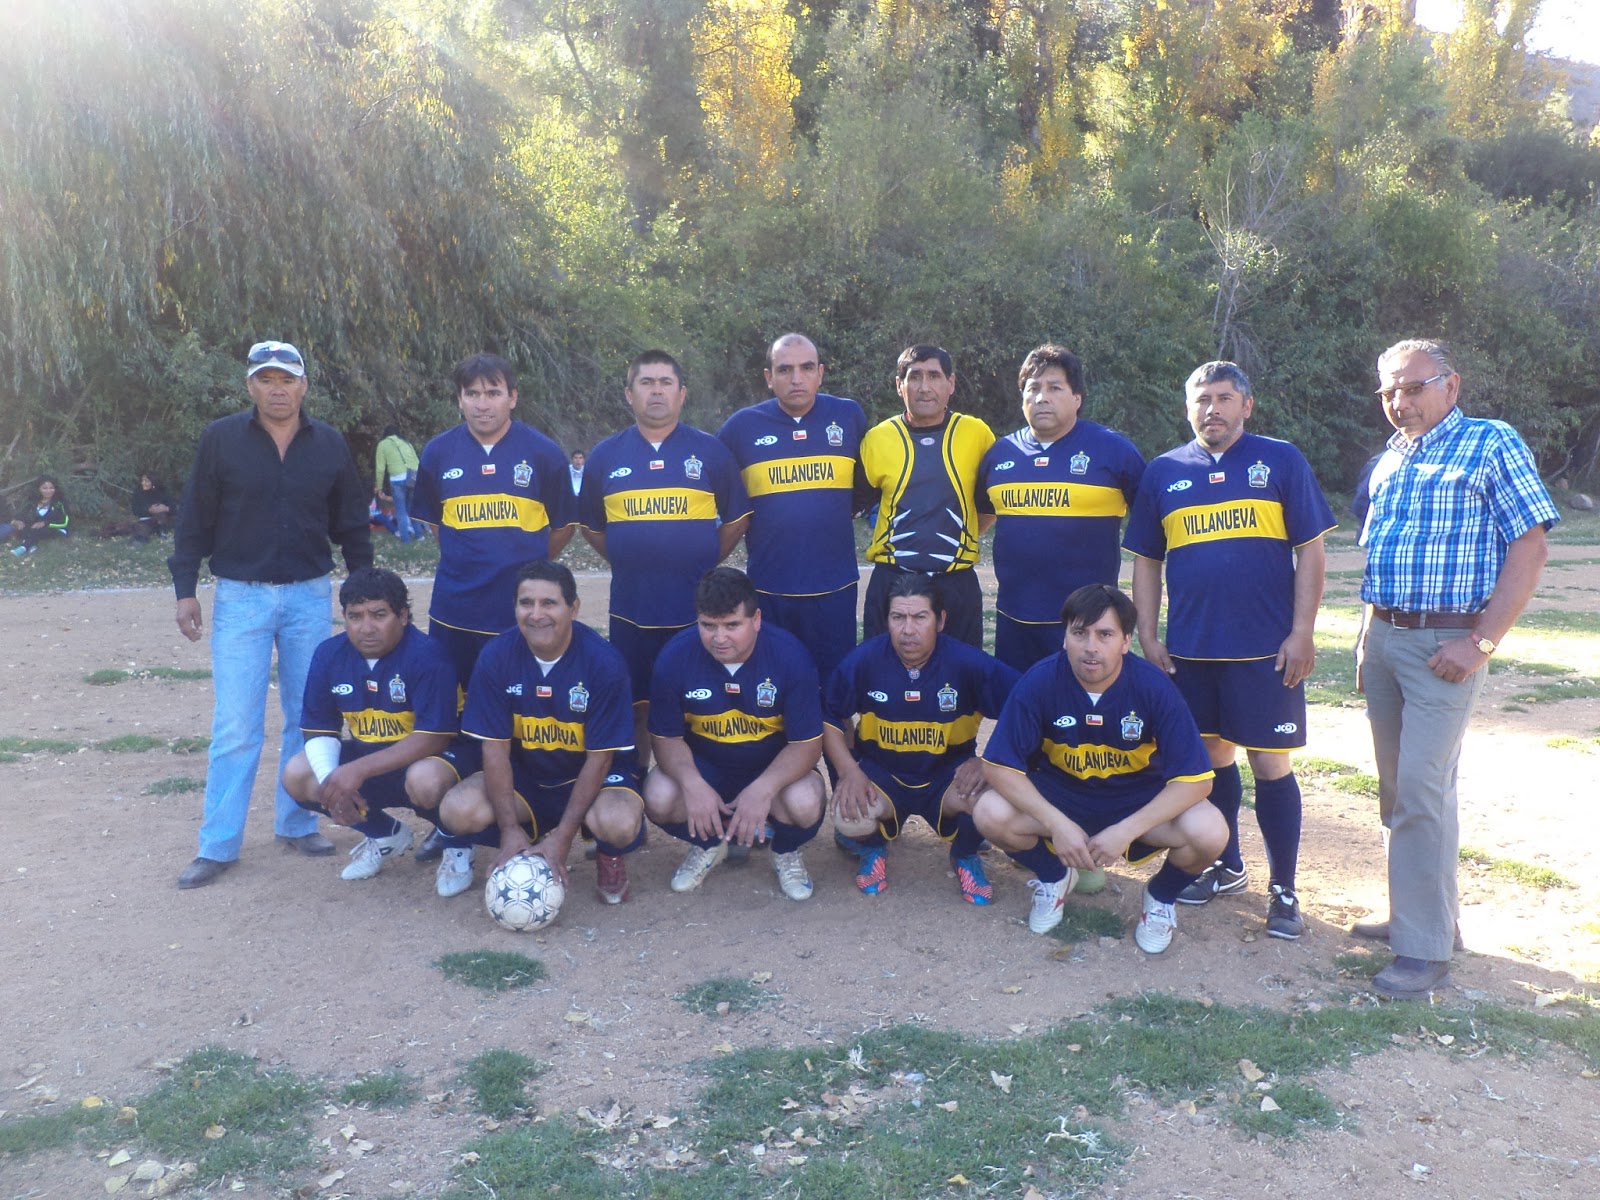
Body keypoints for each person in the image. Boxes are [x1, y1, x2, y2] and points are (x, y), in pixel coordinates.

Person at [1353, 338, 1557, 1000]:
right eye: (1389, 391)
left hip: (1448, 644)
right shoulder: (1392, 457)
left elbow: (1530, 548)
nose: (1399, 401)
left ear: (1451, 385)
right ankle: (1421, 915)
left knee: (1422, 786)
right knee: (1397, 788)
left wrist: (1482, 643)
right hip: (1387, 638)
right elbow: (1383, 554)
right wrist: (1367, 639)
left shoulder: (1490, 443)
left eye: (1413, 387)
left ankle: (1424, 950)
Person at [1124, 361, 1335, 941]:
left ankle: (1284, 888)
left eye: (1223, 398)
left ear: (1247, 405)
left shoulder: (1280, 460)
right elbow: (1147, 560)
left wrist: (1302, 631)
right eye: (1201, 399)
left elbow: (1311, 552)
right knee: (1212, 762)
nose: (1211, 409)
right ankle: (1228, 864)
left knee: (1270, 765)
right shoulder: (1164, 471)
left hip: (1265, 651)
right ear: (1187, 407)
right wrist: (1148, 635)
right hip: (1192, 651)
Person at [170, 340, 373, 889]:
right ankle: (217, 844)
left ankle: (298, 822)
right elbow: (194, 517)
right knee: (236, 724)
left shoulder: (328, 444)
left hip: (310, 596)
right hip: (241, 597)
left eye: (287, 379)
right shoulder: (220, 440)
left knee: (309, 717)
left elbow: (352, 524)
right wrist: (185, 589)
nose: (277, 389)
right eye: (266, 379)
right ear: (250, 386)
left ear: (304, 385)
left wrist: (362, 593)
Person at [974, 585, 1221, 952]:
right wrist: (1057, 824)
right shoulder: (1040, 681)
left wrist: (1126, 830)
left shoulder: (1153, 687)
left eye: (1104, 634)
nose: (1091, 646)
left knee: (1209, 830)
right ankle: (1055, 876)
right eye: (1080, 633)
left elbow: (1196, 782)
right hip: (1063, 798)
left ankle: (1160, 897)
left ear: (1125, 641)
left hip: (1135, 801)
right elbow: (998, 767)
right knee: (989, 811)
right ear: (1065, 638)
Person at [426, 560, 647, 906]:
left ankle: (607, 852)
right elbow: (494, 750)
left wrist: (563, 837)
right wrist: (508, 829)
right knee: (457, 810)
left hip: (590, 778)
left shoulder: (604, 663)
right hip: (527, 778)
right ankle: (516, 839)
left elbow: (600, 760)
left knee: (618, 822)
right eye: (526, 603)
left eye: (549, 603)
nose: (536, 614)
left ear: (573, 608)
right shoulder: (497, 656)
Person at [580, 350, 750, 766]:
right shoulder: (605, 455)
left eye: (665, 383)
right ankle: (635, 784)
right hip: (632, 609)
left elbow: (737, 518)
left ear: (681, 393)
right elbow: (591, 526)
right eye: (646, 382)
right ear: (629, 393)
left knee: (699, 706)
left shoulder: (710, 451)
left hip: (694, 613)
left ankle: (703, 785)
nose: (656, 391)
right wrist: (628, 559)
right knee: (637, 706)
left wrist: (705, 561)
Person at [823, 574, 1020, 903]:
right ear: (886, 620)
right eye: (898, 617)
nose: (908, 629)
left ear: (940, 621)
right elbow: (829, 717)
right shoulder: (865, 660)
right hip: (882, 775)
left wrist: (989, 762)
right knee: (847, 816)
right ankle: (873, 849)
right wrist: (849, 771)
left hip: (949, 776)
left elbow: (1024, 709)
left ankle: (965, 854)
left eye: (919, 617)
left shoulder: (968, 663)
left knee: (996, 804)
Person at [643, 567, 825, 900]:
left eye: (731, 625)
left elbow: (807, 745)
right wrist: (693, 784)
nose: (719, 638)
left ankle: (785, 851)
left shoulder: (791, 657)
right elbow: (666, 738)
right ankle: (710, 844)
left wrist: (763, 789)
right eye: (708, 625)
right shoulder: (674, 657)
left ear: (756, 619)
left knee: (806, 801)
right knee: (658, 795)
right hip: (707, 768)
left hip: (770, 769)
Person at [412, 353, 577, 694]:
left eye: (493, 393)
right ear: (459, 399)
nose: (482, 404)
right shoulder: (437, 452)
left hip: (517, 611)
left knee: (516, 704)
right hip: (455, 609)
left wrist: (529, 565)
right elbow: (438, 526)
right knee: (454, 703)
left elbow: (563, 527)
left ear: (512, 397)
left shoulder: (544, 453)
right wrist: (465, 558)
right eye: (472, 394)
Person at [280, 568, 458, 880]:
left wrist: (356, 771)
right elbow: (319, 728)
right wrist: (334, 786)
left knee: (426, 780)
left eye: (378, 615)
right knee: (298, 773)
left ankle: (458, 843)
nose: (366, 628)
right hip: (370, 760)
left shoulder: (428, 655)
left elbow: (434, 737)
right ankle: (385, 834)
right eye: (355, 616)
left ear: (402, 616)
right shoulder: (329, 654)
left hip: (431, 762)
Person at [977, 345, 1145, 672]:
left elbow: (1151, 523)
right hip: (1014, 620)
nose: (1042, 397)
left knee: (1083, 703)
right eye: (1033, 388)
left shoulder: (1114, 451)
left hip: (1087, 624)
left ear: (1077, 398)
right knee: (1020, 701)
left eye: (1055, 388)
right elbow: (983, 515)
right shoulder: (1000, 453)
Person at [718, 333, 868, 684]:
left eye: (806, 368)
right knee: (773, 688)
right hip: (769, 589)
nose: (796, 378)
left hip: (835, 588)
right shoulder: (740, 428)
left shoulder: (848, 416)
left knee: (833, 690)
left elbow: (867, 484)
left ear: (821, 373)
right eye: (785, 369)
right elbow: (716, 493)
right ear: (769, 377)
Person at [858, 344, 995, 648]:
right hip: (892, 582)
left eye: (934, 376)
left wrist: (958, 538)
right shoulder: (877, 438)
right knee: (883, 670)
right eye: (914, 377)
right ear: (899, 385)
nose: (924, 387)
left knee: (962, 672)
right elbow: (856, 506)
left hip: (956, 583)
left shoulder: (977, 434)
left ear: (951, 383)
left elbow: (989, 507)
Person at [373, 424, 422, 542]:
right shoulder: (406, 443)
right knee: (412, 507)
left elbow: (380, 468)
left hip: (397, 478)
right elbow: (417, 461)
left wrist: (379, 487)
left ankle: (406, 539)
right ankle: (420, 536)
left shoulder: (383, 444)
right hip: (413, 475)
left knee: (400, 510)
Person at [8, 476, 70, 556]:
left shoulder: (60, 503)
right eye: (45, 488)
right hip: (36, 527)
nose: (49, 491)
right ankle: (32, 545)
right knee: (26, 527)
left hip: (56, 528)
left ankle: (24, 547)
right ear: (38, 489)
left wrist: (46, 523)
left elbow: (65, 522)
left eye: (51, 488)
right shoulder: (33, 502)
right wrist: (17, 521)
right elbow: (23, 515)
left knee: (37, 530)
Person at [131, 473, 177, 543]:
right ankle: (140, 540)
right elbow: (135, 510)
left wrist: (166, 509)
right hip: (146, 520)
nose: (143, 483)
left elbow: (174, 508)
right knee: (141, 527)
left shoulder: (163, 491)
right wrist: (149, 510)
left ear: (153, 482)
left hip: (163, 519)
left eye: (146, 481)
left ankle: (163, 533)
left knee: (164, 516)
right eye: (142, 481)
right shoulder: (138, 492)